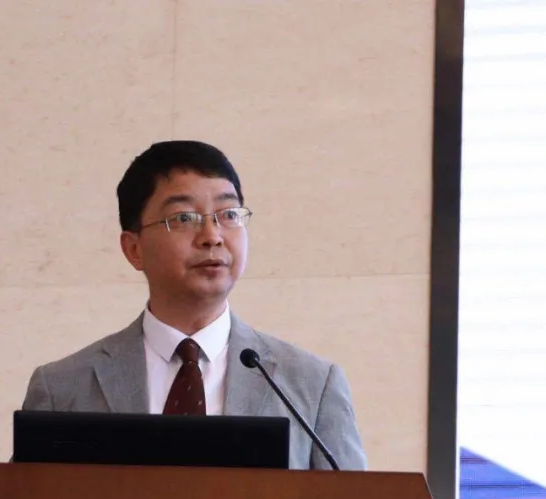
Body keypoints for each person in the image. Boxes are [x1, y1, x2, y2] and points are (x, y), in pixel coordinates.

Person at [20, 140, 367, 471]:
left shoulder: (311, 384)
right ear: (134, 249)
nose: (212, 236)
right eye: (184, 218)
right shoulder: (63, 388)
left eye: (228, 214)